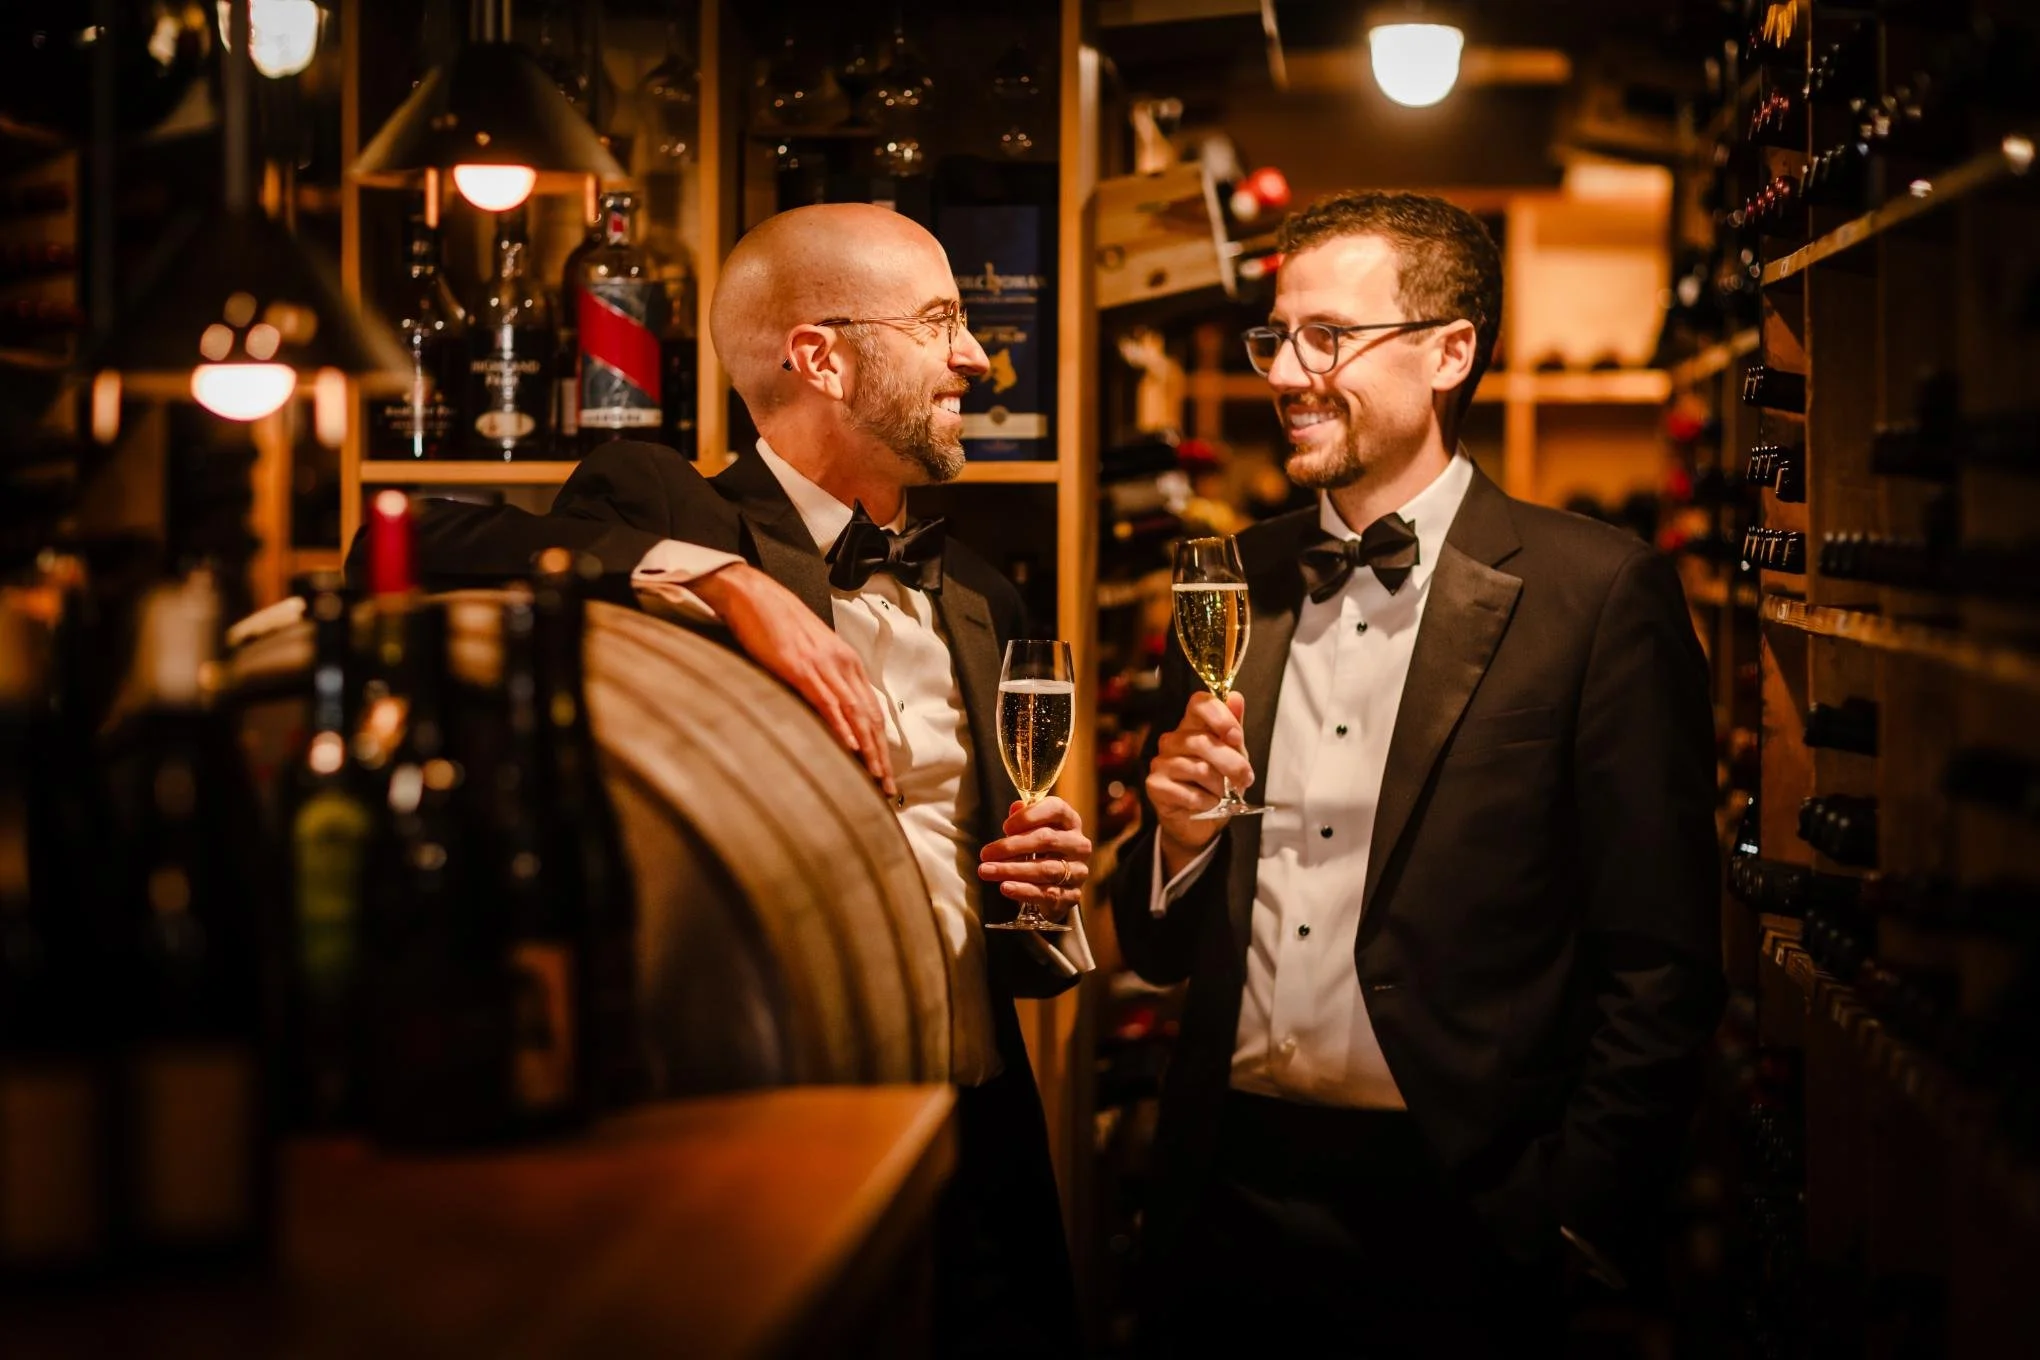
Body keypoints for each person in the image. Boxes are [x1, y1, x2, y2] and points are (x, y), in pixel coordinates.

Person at [356, 202, 1090, 1355]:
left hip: (983, 1145)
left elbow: (983, 910)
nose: (978, 357)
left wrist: (1040, 898)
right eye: (940, 321)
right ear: (820, 357)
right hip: (775, 1147)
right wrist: (719, 580)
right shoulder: (670, 508)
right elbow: (405, 544)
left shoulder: (981, 594)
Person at [1110, 190, 1724, 1356]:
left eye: (1328, 337)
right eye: (1276, 337)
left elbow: (1663, 956)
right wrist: (1177, 845)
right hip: (1224, 1200)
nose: (1286, 372)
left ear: (1449, 353)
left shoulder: (1599, 594)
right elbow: (1159, 946)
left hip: (1470, 1213)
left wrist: (1577, 1215)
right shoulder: (1225, 578)